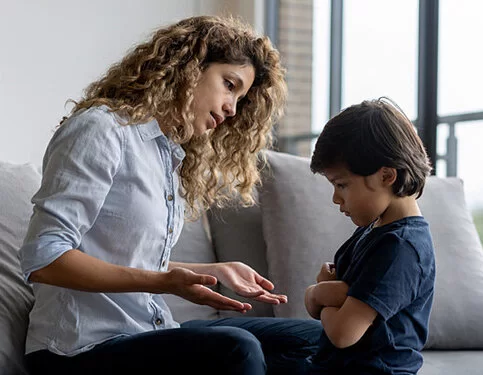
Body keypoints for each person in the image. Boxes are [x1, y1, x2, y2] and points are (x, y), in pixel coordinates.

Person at [19, 15, 321, 375]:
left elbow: (126, 257)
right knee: (237, 350)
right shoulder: (101, 130)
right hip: (78, 349)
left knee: (311, 338)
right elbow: (45, 257)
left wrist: (210, 271)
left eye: (239, 98)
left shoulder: (168, 154)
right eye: (229, 85)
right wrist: (165, 282)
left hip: (146, 331)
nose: (232, 108)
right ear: (190, 66)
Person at [303, 98, 436, 374]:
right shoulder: (373, 230)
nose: (335, 198)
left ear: (386, 176)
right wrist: (324, 295)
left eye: (342, 185)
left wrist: (319, 293)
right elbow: (322, 305)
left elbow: (342, 333)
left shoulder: (401, 248)